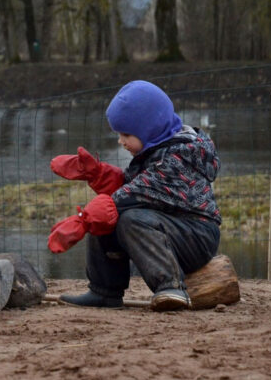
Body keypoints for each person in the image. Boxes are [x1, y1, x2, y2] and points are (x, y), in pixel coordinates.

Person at [47, 80, 221, 311]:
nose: (121, 141)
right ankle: (104, 291)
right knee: (112, 215)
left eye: (126, 134)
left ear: (149, 128)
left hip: (197, 235)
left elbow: (132, 194)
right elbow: (133, 188)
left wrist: (84, 219)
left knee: (126, 216)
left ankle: (171, 287)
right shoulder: (157, 147)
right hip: (166, 228)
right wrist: (98, 174)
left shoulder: (177, 158)